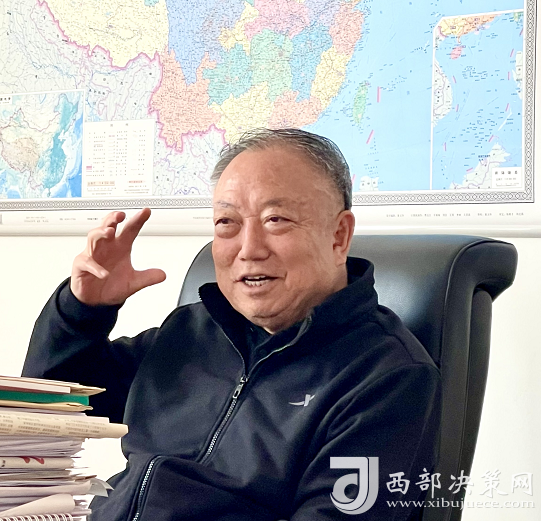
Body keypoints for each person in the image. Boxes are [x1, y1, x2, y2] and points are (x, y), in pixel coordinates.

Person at [23, 128, 441, 520]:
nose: (249, 249)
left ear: (338, 236)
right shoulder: (192, 331)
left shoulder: (387, 377)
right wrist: (84, 309)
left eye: (276, 220)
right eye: (227, 223)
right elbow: (50, 408)